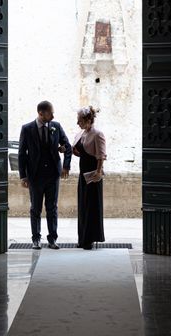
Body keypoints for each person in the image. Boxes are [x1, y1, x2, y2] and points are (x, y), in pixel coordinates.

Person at [18, 100, 72, 250]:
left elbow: (68, 146)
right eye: (50, 113)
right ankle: (36, 239)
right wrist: (23, 176)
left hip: (53, 174)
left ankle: (52, 239)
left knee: (52, 207)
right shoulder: (27, 129)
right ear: (41, 113)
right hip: (35, 176)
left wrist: (66, 165)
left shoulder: (56, 126)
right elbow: (22, 154)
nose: (53, 116)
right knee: (35, 208)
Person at [72, 106, 106, 250]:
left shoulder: (97, 134)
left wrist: (98, 172)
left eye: (79, 120)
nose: (77, 123)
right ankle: (83, 239)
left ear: (87, 120)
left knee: (91, 207)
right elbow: (82, 152)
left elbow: (100, 156)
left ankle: (89, 240)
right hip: (82, 174)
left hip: (93, 175)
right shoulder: (82, 133)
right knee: (83, 206)